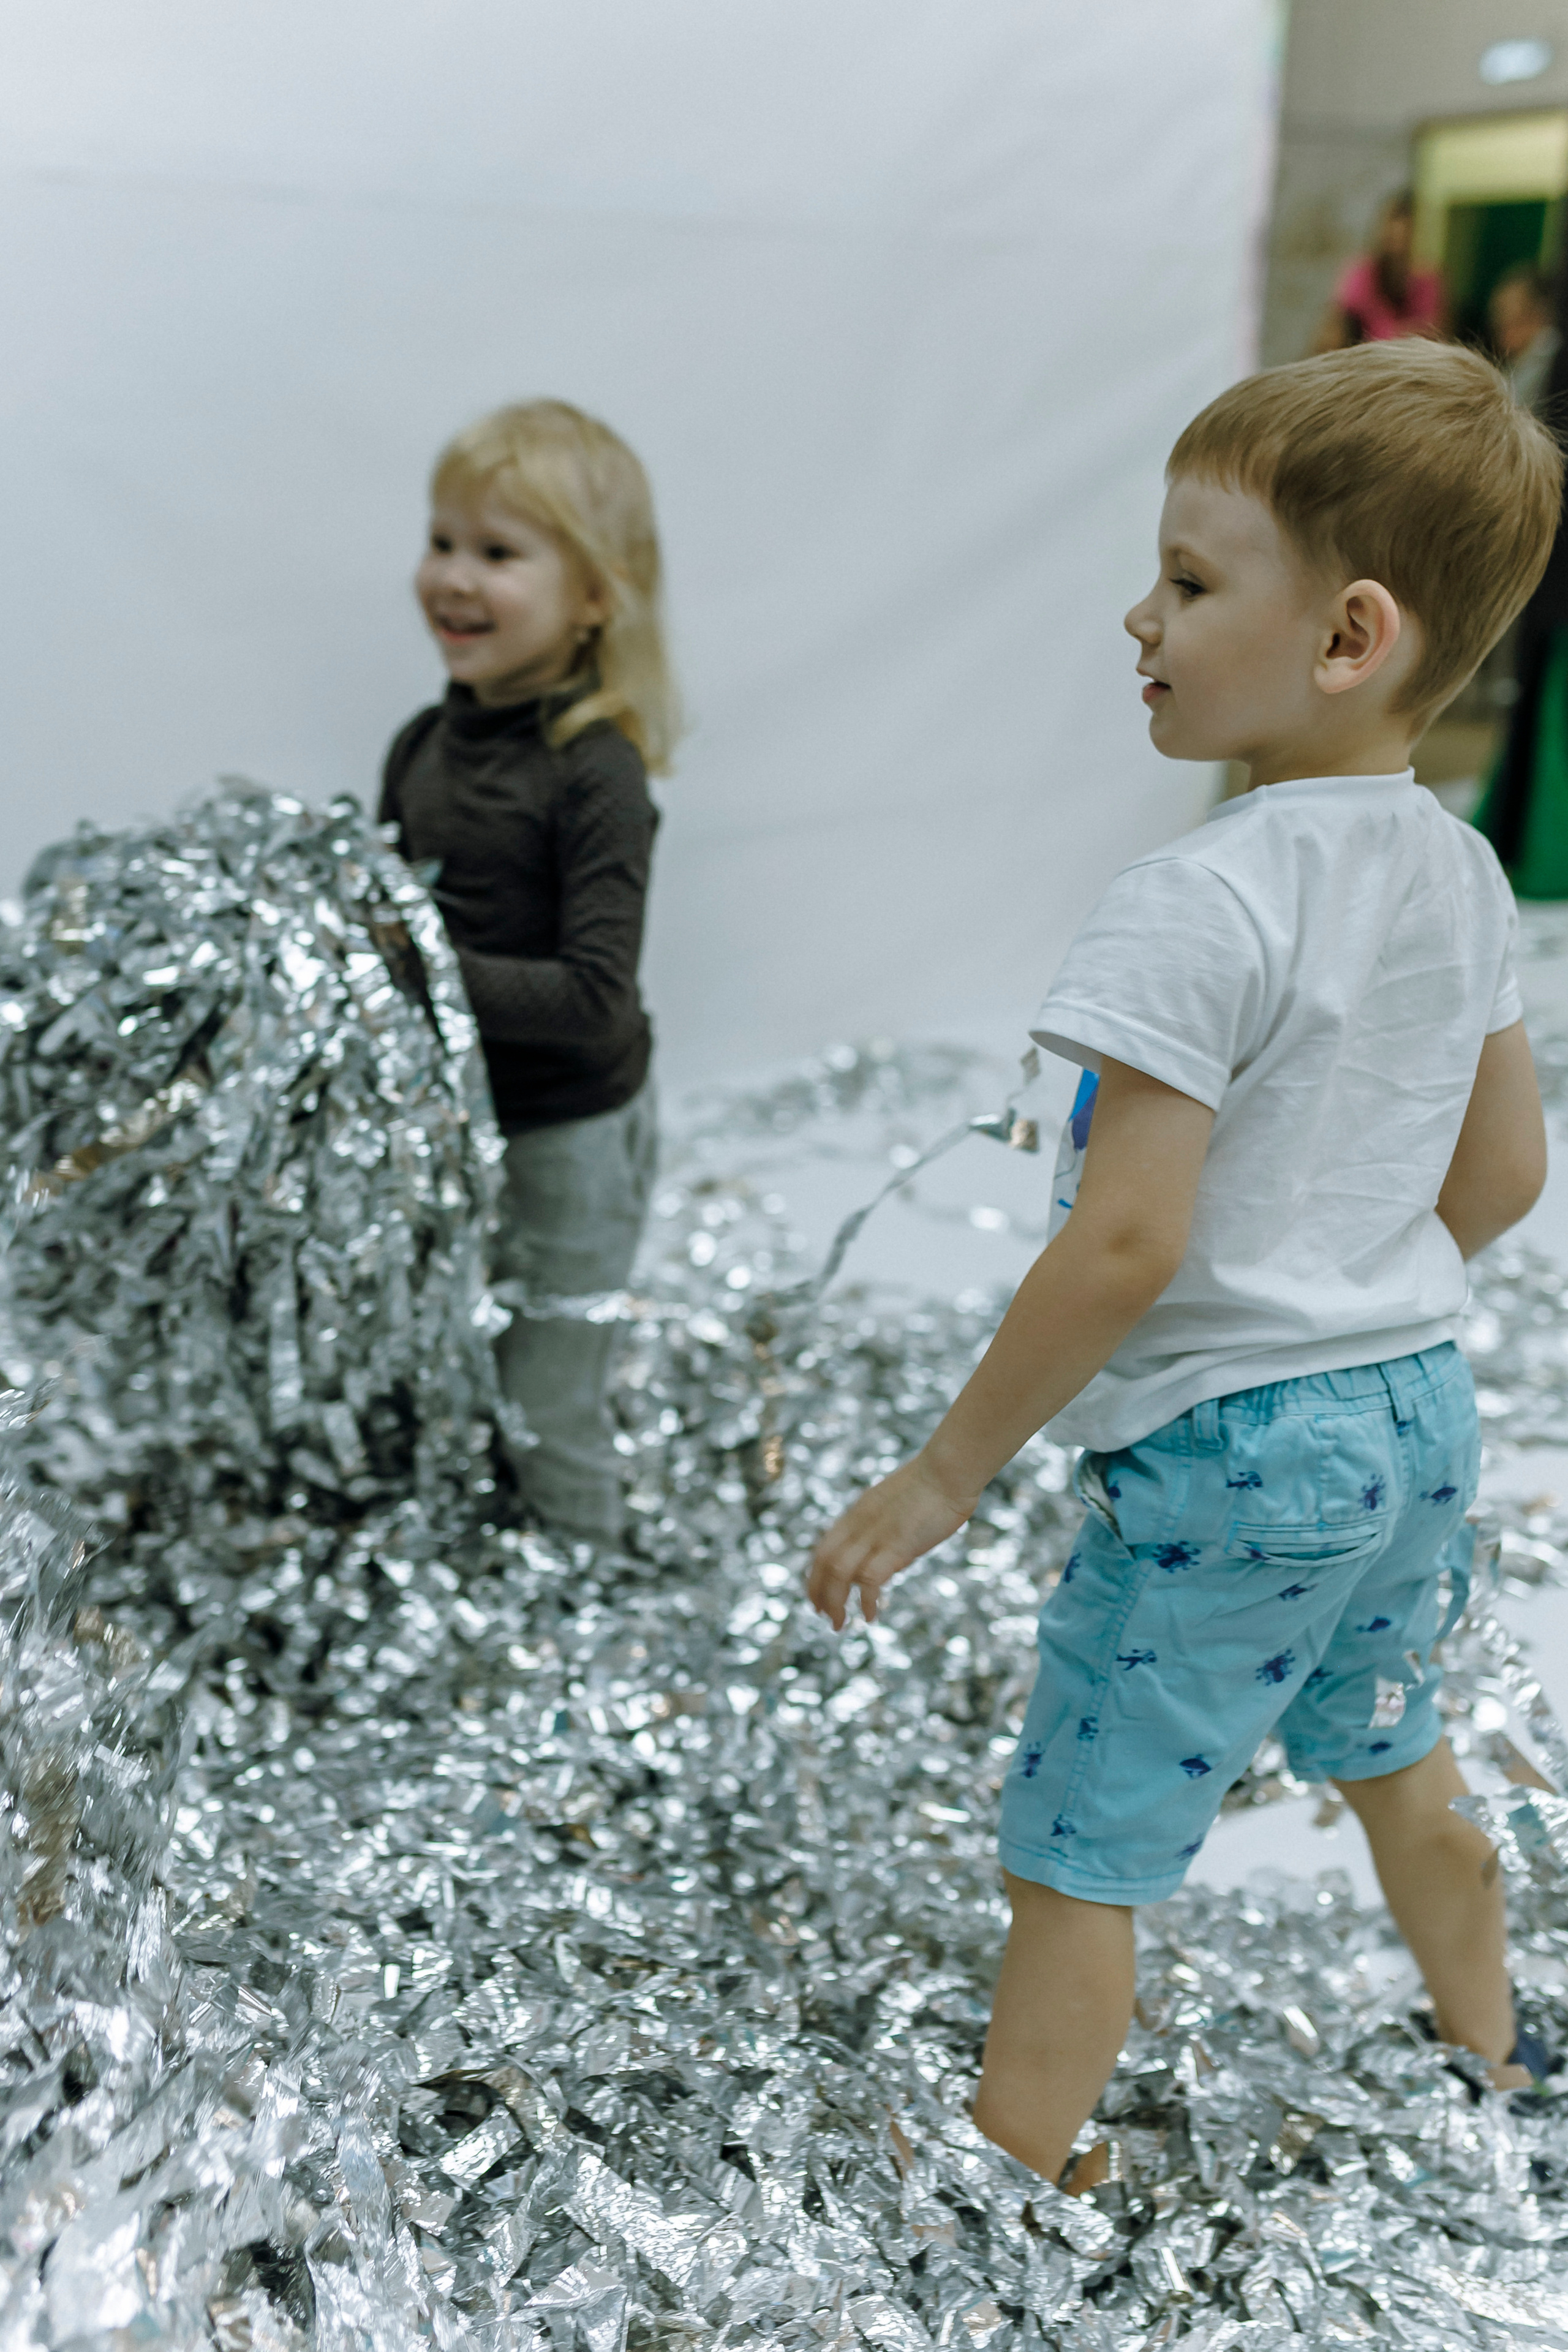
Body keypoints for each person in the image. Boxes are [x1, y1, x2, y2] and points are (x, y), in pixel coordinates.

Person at [809, 339, 1561, 2190]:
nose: (1136, 615)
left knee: (1081, 1846)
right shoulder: (1462, 872)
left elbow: (1129, 1240)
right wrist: (1351, 1287)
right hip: (1413, 1414)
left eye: (1189, 580)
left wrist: (944, 1468)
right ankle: (1495, 2045)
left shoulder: (1194, 899)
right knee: (1395, 1756)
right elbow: (1505, 1172)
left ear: (1347, 635)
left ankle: (1009, 2171)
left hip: (1238, 1450)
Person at [380, 400, 677, 1547]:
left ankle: (591, 1576)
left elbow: (594, 997)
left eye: (499, 553)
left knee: (551, 1397)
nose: (454, 577)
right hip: (466, 1123)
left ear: (595, 595)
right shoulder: (421, 743)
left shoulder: (596, 772)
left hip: (570, 1135)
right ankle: (488, 1530)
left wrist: (419, 971)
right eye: (442, 541)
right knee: (461, 1347)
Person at [1313, 190, 1446, 352]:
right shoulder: (1361, 274)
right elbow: (1341, 324)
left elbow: (1435, 332)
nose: (1400, 239)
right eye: (1394, 234)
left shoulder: (1427, 280)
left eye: (1407, 232)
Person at [1491, 262, 1559, 417]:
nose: (1502, 333)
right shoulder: (1529, 355)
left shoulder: (1544, 352)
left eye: (1511, 322)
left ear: (1537, 315)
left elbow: (1512, 412)